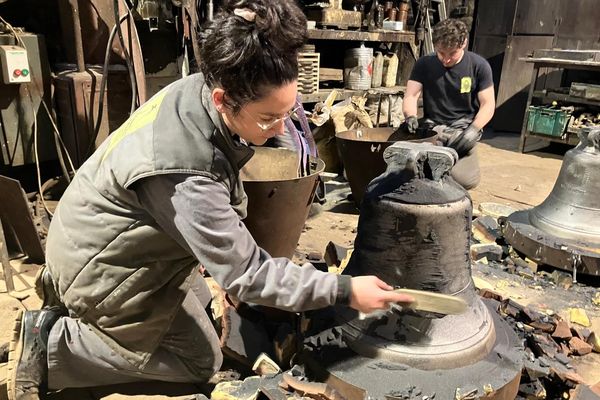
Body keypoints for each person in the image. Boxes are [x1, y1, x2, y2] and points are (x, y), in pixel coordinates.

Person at [7, 1, 414, 399]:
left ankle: (81, 314)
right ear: (223, 100)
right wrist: (344, 290)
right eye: (268, 118)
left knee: (204, 308)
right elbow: (248, 275)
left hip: (98, 236)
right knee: (199, 363)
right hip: (102, 268)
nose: (278, 130)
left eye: (286, 114)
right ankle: (52, 345)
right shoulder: (185, 172)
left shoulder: (200, 87)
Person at [400, 18, 495, 189]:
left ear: (464, 43)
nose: (446, 59)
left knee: (466, 180)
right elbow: (411, 96)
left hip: (461, 130)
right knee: (405, 168)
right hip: (433, 128)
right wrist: (410, 116)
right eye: (441, 53)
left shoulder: (479, 66)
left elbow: (488, 104)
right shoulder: (424, 64)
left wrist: (473, 130)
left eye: (452, 54)